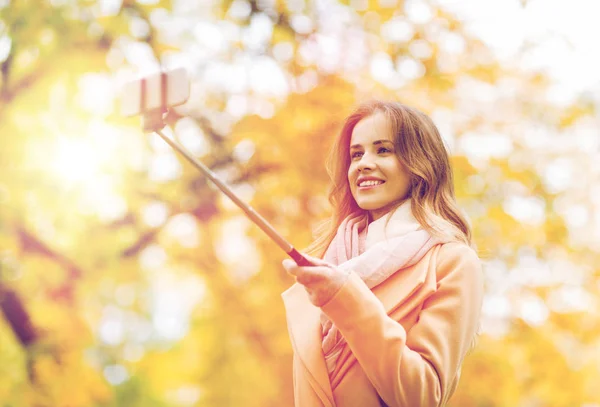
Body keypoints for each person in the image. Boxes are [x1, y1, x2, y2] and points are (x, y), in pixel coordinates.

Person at [281, 100, 484, 407]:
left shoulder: (452, 262)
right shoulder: (331, 258)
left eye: (383, 150)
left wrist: (346, 297)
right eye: (356, 154)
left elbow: (423, 395)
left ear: (420, 165)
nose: (363, 163)